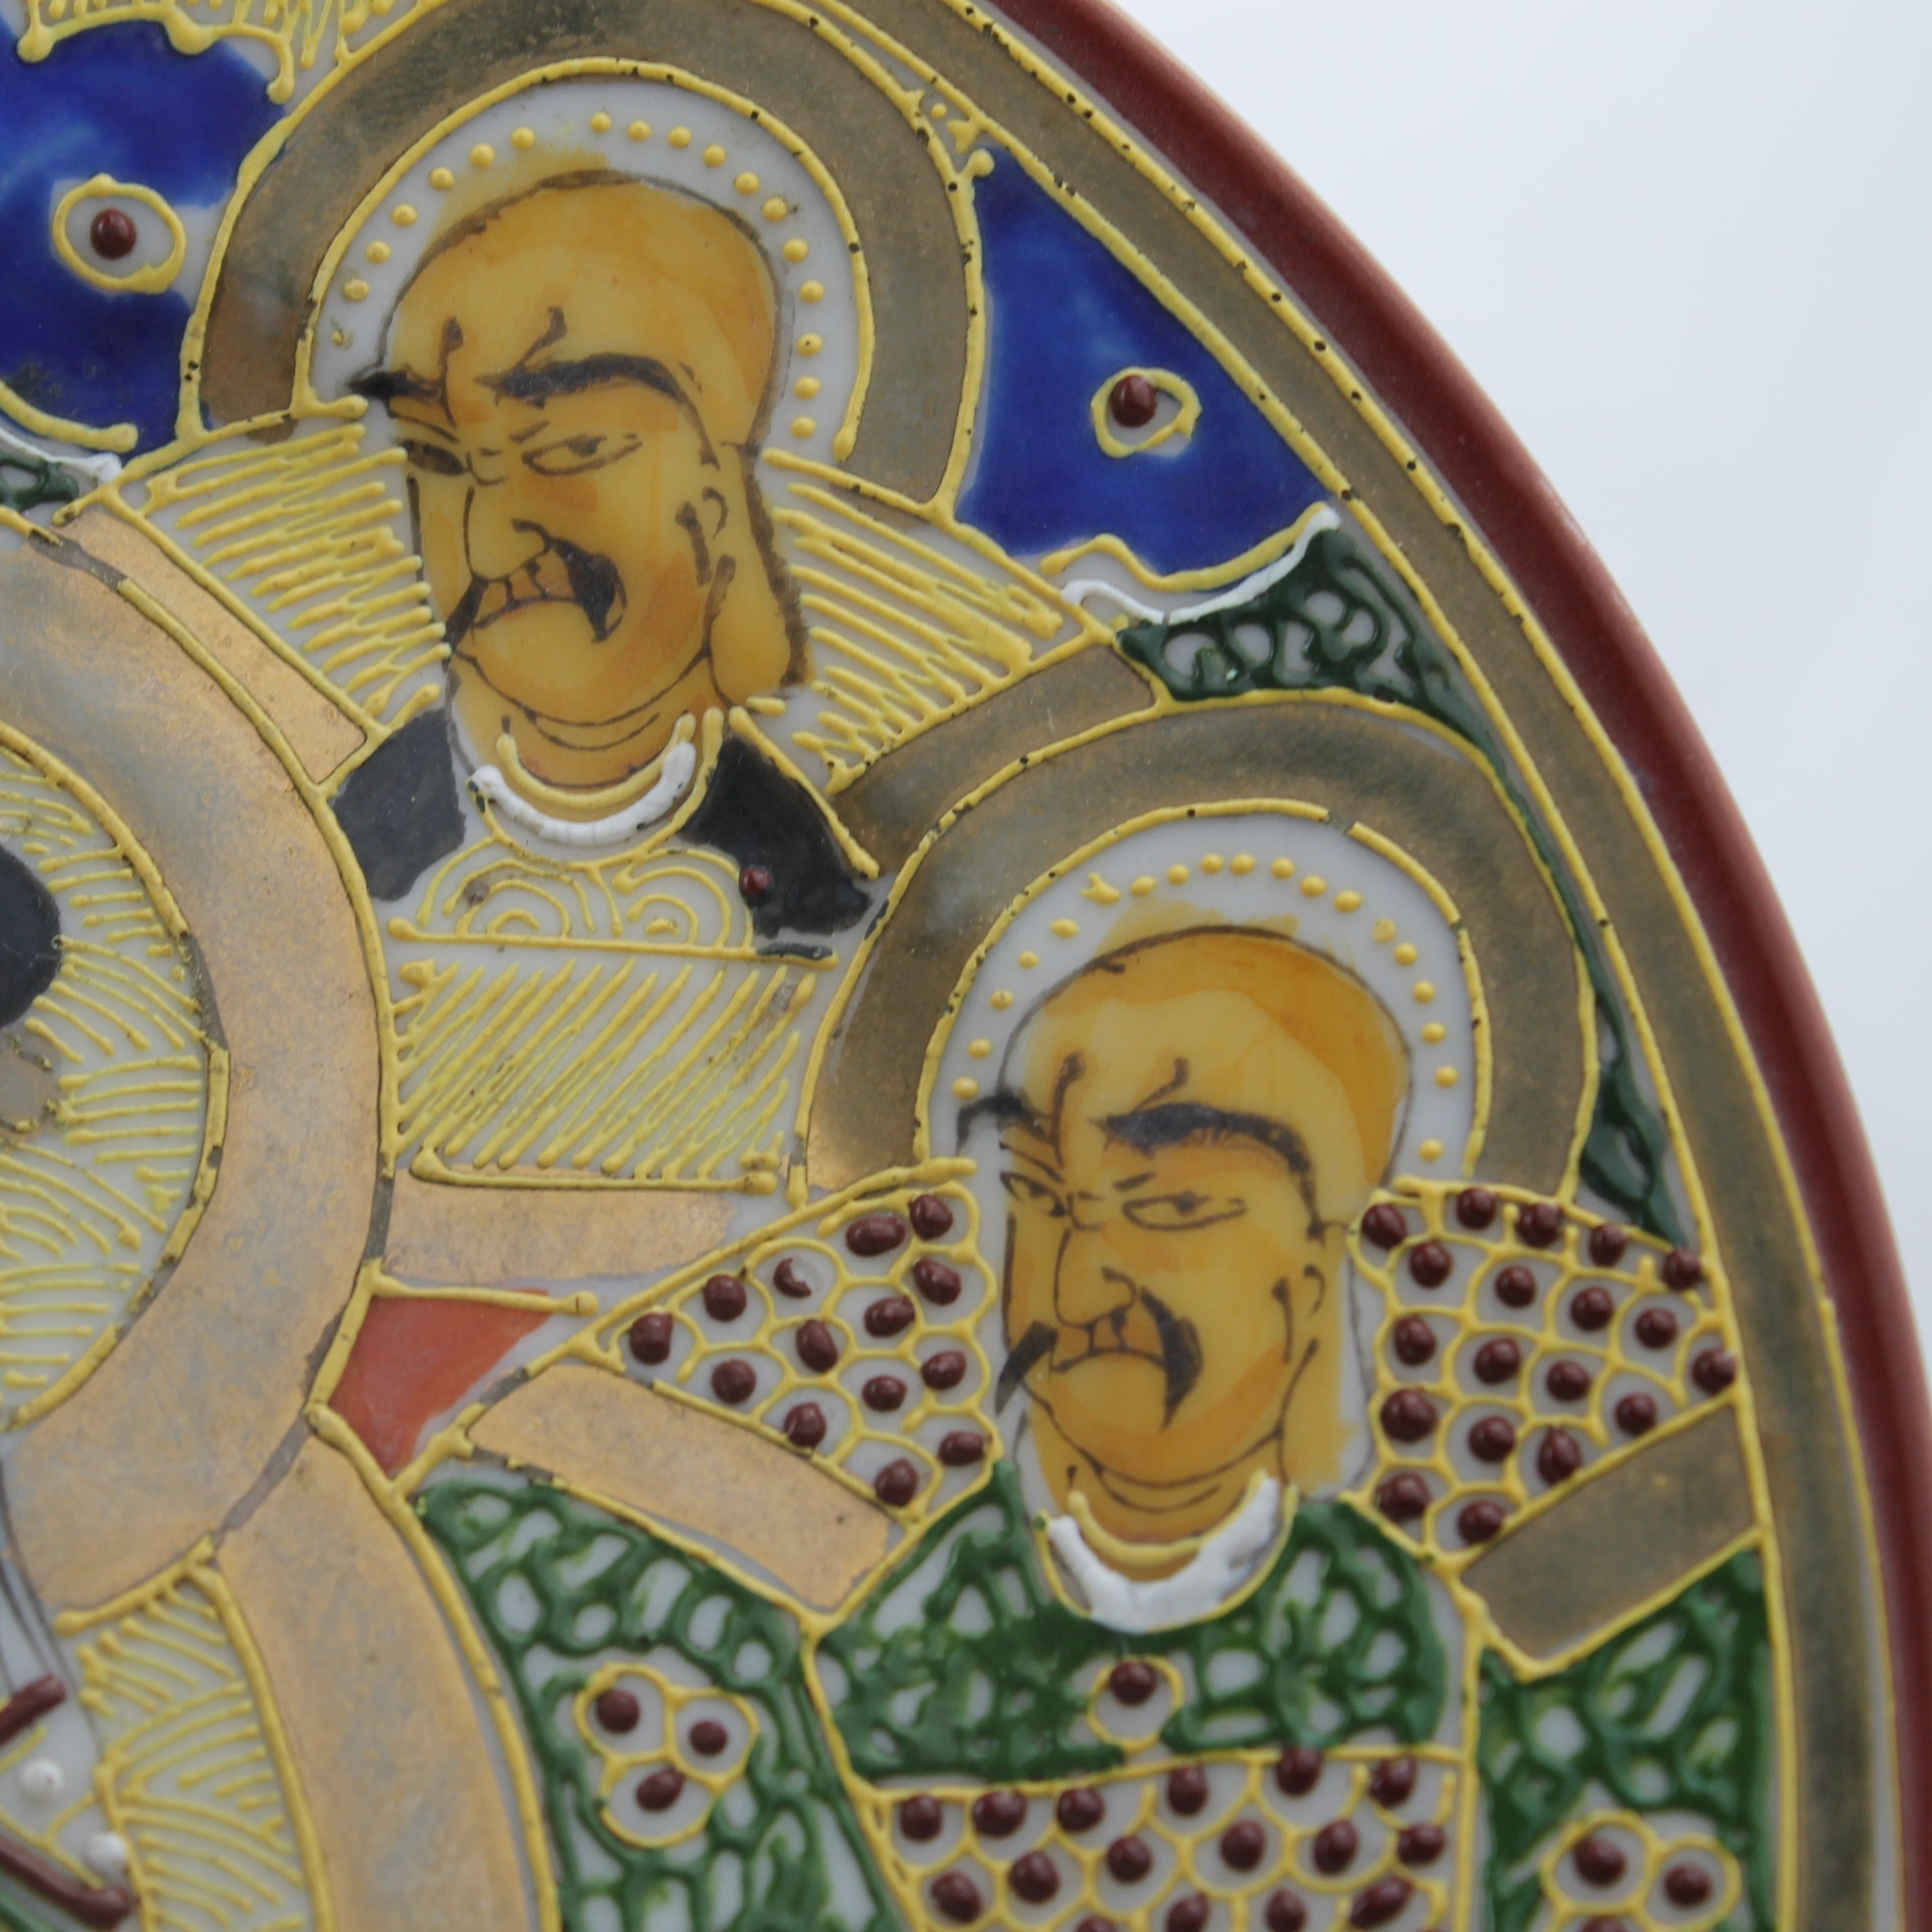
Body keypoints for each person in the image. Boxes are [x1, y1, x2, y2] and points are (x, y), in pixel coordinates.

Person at [334, 170, 866, 939]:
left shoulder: (802, 873)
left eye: (569, 449)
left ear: (721, 498)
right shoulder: (343, 851)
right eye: (437, 458)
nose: (488, 544)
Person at [978, 927, 1406, 1610]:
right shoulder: (906, 1581)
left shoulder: (1384, 1610)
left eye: (1172, 1206)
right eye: (1038, 1193)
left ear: (1323, 1259)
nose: (1072, 1293)